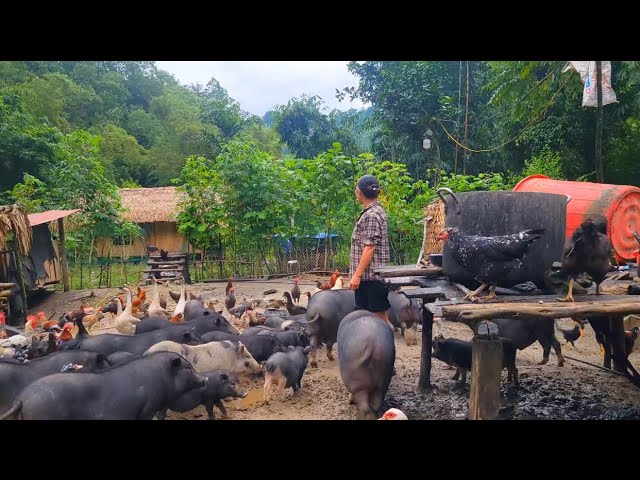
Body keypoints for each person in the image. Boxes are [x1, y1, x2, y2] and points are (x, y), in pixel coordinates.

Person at [348, 174, 393, 330]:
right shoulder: (373, 212)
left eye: (356, 190)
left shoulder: (372, 215)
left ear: (359, 192)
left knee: (378, 319)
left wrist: (356, 275)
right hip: (369, 277)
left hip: (371, 278)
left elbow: (369, 247)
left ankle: (385, 349)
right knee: (370, 318)